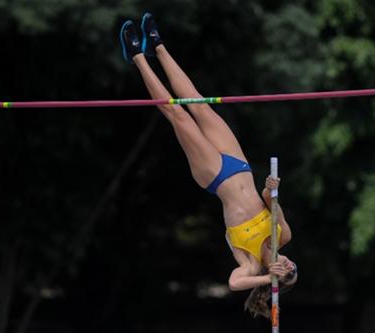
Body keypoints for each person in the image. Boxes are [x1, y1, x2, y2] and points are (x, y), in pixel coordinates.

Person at [120, 13, 297, 318]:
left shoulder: (251, 264)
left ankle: (136, 56)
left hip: (215, 177)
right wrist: (270, 189)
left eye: (287, 272)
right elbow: (271, 202)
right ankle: (157, 47)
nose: (290, 265)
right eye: (293, 267)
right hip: (240, 165)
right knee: (198, 104)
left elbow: (234, 283)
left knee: (177, 116)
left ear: (276, 277)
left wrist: (267, 278)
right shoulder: (283, 236)